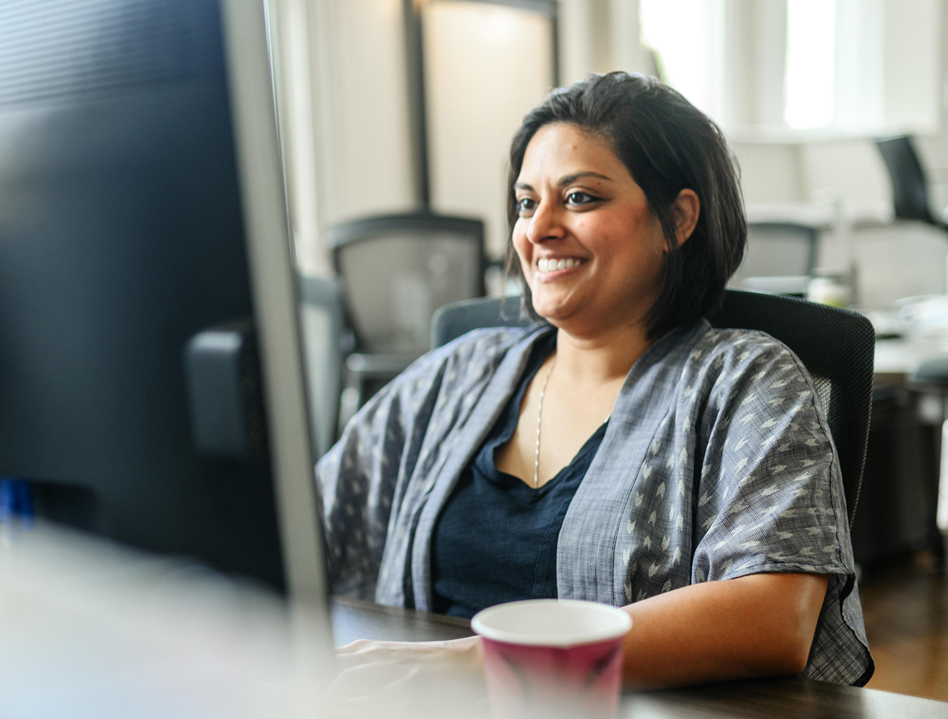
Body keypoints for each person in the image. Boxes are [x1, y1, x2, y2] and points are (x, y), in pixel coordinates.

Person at [316, 72, 872, 689]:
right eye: (527, 202)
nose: (538, 229)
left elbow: (773, 616)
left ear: (676, 220)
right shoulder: (458, 373)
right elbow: (307, 526)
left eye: (579, 198)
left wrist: (486, 667)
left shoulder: (743, 379)